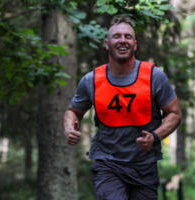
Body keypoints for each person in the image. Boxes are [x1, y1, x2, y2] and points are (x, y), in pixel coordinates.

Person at [63, 16, 181, 200]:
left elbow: (174, 113)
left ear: (135, 44)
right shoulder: (92, 80)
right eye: (117, 36)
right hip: (108, 163)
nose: (122, 40)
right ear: (107, 43)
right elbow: (73, 111)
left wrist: (156, 136)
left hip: (144, 165)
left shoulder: (154, 76)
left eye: (127, 37)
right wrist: (70, 128)